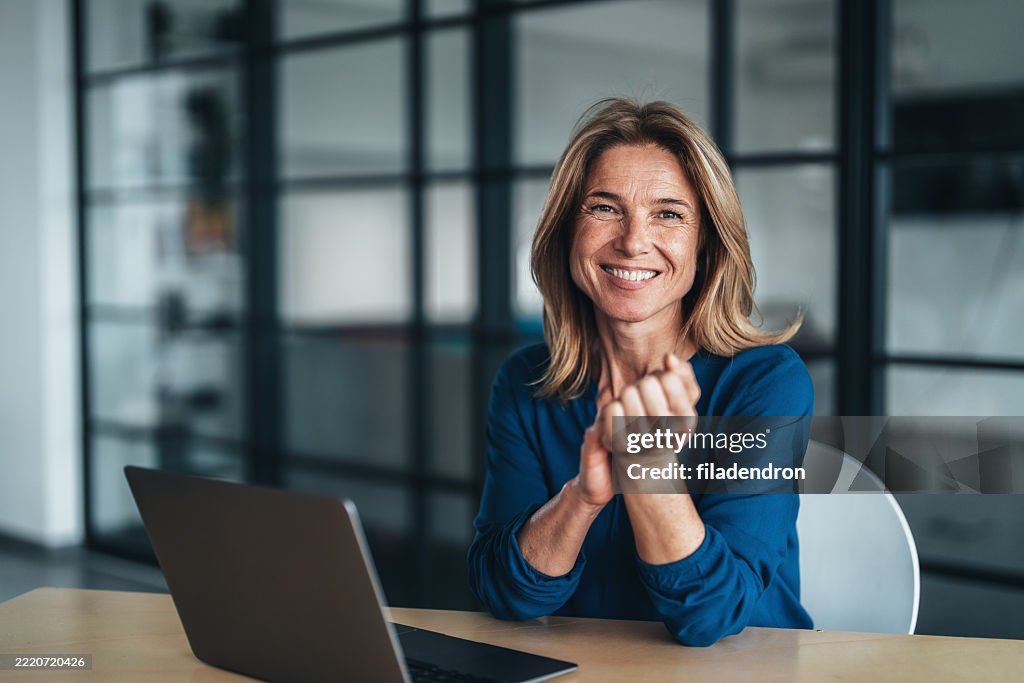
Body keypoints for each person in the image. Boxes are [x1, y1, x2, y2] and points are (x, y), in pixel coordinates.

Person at [466, 98, 814, 647]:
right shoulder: (526, 382)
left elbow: (712, 617)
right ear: (566, 233)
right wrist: (583, 496)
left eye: (669, 214)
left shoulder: (765, 381)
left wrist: (647, 466)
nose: (632, 240)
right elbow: (504, 594)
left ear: (707, 245)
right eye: (604, 208)